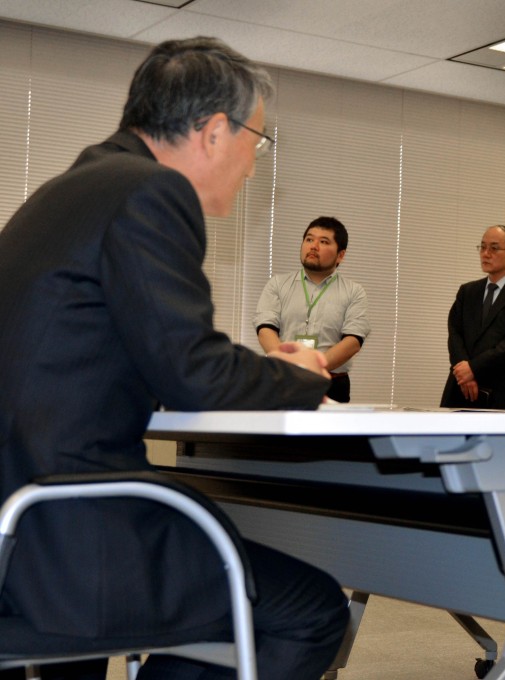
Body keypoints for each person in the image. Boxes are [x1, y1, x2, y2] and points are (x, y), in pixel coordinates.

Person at [0, 37, 347, 680]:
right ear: (214, 132)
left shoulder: (69, 189)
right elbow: (196, 375)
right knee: (314, 609)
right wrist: (296, 374)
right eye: (256, 142)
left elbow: (138, 351)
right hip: (71, 534)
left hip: (20, 524)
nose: (252, 167)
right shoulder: (152, 191)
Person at [255, 216, 370, 403]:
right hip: (285, 379)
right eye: (309, 239)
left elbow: (353, 341)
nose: (313, 246)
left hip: (332, 383)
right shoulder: (277, 284)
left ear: (340, 255)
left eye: (323, 242)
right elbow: (265, 329)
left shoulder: (354, 292)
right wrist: (289, 367)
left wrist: (314, 367)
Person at [440, 224, 505, 409]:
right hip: (460, 387)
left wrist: (473, 369)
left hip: (501, 391)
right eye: (482, 247)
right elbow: (454, 332)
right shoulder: (467, 291)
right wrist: (464, 372)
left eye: (494, 248)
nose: (485, 254)